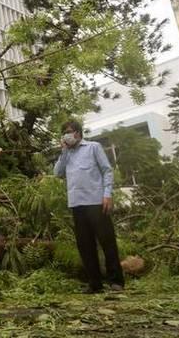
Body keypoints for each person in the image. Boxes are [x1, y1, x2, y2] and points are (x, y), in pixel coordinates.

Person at [54, 120, 124, 294]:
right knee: (85, 245)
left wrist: (107, 194)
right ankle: (95, 283)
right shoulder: (67, 153)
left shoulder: (93, 147)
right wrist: (64, 150)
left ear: (78, 132)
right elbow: (57, 173)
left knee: (107, 242)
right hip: (77, 204)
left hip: (96, 201)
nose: (66, 135)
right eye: (64, 132)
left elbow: (107, 170)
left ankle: (116, 281)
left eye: (69, 131)